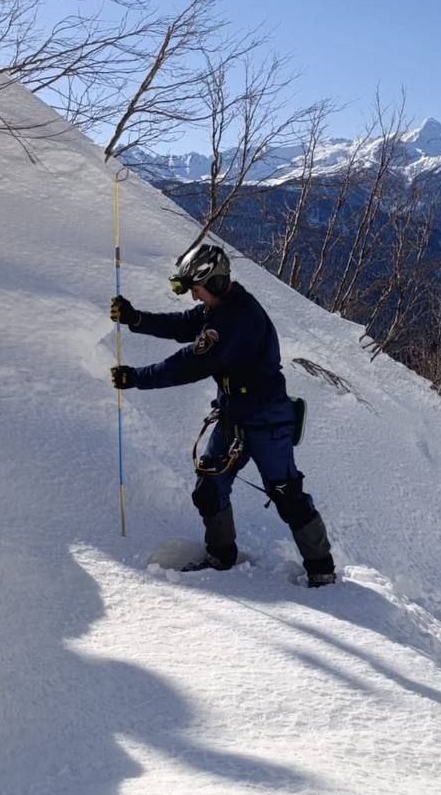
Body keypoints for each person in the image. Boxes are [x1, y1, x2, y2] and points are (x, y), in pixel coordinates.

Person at [109, 242, 337, 588]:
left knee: (286, 493)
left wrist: (137, 377)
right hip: (233, 415)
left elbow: (190, 364)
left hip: (267, 420)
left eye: (196, 289)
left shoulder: (237, 319)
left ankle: (322, 570)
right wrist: (136, 319)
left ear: (213, 283)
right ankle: (221, 557)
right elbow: (185, 325)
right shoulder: (223, 305)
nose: (194, 298)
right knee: (209, 488)